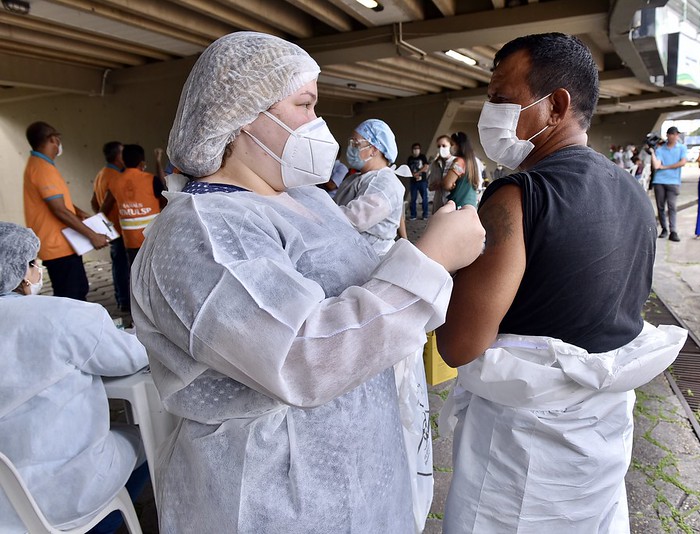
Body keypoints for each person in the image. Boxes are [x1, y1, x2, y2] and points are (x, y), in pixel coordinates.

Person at [128, 32, 484, 533]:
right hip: (273, 496)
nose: (318, 124)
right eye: (304, 104)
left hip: (360, 471)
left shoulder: (309, 200)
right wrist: (428, 262)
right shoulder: (201, 232)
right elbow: (300, 355)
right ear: (242, 113)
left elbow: (355, 290)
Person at [436, 32, 686, 532]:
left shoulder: (517, 197)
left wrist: (443, 262)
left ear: (557, 106)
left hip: (523, 452)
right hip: (599, 439)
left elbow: (459, 345)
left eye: (502, 99)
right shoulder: (632, 190)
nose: (491, 113)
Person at [0, 221, 150, 533]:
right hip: (66, 493)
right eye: (32, 263)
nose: (37, 268)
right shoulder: (63, 315)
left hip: (6, 500)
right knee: (148, 439)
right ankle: (105, 523)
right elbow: (130, 357)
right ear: (20, 271)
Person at [22, 121, 109, 300]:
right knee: (72, 296)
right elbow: (59, 210)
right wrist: (93, 235)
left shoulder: (41, 165)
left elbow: (56, 201)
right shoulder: (42, 169)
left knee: (78, 290)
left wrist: (77, 211)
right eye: (58, 140)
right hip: (58, 247)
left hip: (62, 245)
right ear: (53, 139)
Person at [334, 119, 406, 256]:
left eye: (355, 143)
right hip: (352, 252)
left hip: (370, 258)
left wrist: (316, 210)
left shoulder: (385, 183)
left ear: (373, 149)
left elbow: (354, 219)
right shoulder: (355, 178)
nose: (351, 148)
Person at [101, 144, 164, 266]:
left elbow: (104, 209)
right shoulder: (151, 180)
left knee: (136, 274)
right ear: (142, 163)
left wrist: (107, 229)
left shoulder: (115, 181)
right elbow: (165, 200)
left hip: (130, 241)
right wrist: (158, 161)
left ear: (123, 161)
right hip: (152, 238)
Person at [91, 141, 131, 311]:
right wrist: (104, 223)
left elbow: (93, 201)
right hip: (119, 230)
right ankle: (124, 301)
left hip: (112, 228)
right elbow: (104, 205)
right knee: (122, 267)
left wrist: (103, 223)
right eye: (123, 153)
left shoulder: (101, 174)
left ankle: (120, 298)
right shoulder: (115, 177)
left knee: (118, 265)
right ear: (117, 156)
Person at [651, 126, 688, 242]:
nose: (674, 136)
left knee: (672, 207)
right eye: (672, 134)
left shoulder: (681, 148)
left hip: (673, 181)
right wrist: (652, 152)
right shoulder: (660, 150)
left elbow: (682, 162)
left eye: (676, 134)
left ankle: (673, 230)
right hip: (660, 181)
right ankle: (664, 229)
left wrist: (666, 167)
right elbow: (657, 165)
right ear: (668, 135)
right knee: (660, 207)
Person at [440, 131, 479, 208]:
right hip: (470, 204)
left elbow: (447, 184)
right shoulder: (472, 162)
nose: (450, 147)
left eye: (452, 144)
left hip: (458, 204)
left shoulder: (459, 162)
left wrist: (446, 182)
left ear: (459, 145)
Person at [427, 135, 456, 214]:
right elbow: (430, 186)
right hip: (438, 202)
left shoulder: (456, 163)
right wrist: (441, 184)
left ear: (450, 146)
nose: (441, 148)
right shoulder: (435, 164)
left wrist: (443, 183)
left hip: (452, 201)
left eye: (444, 146)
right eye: (439, 146)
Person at [407, 142, 430, 220]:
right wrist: (413, 174)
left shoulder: (422, 157)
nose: (416, 150)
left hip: (422, 181)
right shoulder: (410, 158)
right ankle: (413, 215)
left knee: (424, 198)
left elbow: (426, 166)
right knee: (413, 198)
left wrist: (418, 173)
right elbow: (408, 168)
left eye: (417, 149)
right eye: (414, 149)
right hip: (413, 181)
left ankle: (425, 214)